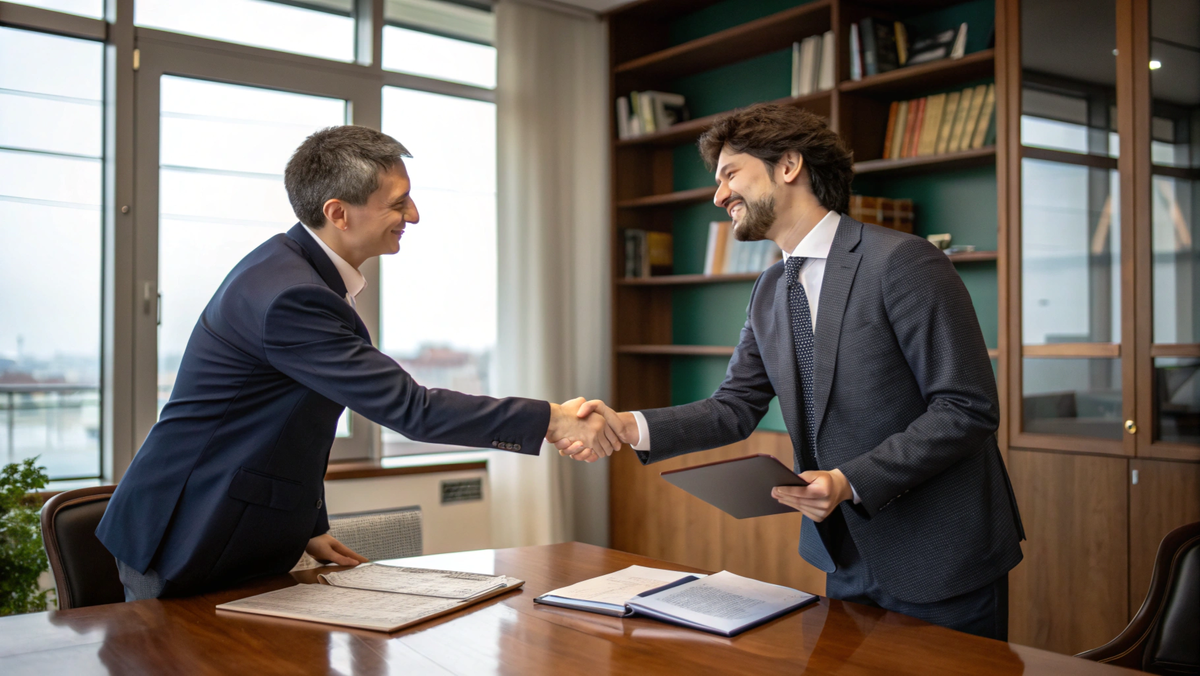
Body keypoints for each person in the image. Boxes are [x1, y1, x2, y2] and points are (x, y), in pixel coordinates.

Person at [97, 125, 618, 601]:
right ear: (338, 212)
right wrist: (552, 418)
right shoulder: (290, 296)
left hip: (229, 523)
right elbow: (413, 410)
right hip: (187, 531)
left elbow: (290, 426)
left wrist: (308, 524)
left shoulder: (297, 272)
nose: (413, 216)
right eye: (399, 203)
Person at [566, 103, 1025, 640]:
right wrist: (626, 426)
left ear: (788, 166)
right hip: (842, 556)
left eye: (730, 174)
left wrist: (849, 480)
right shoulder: (769, 290)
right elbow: (734, 407)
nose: (719, 197)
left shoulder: (903, 261)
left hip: (940, 556)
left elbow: (966, 407)